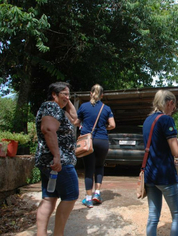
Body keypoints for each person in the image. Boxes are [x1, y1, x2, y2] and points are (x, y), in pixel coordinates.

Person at [143, 90, 178, 236]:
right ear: (169, 103)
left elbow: (156, 145)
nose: (173, 110)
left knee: (153, 217)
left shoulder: (147, 121)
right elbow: (176, 152)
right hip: (165, 175)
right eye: (174, 106)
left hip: (150, 175)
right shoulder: (166, 120)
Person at [35, 82, 79, 236]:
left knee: (49, 198)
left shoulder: (57, 108)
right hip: (59, 162)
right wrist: (57, 156)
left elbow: (75, 118)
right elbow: (47, 129)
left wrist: (66, 98)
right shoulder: (51, 106)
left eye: (69, 94)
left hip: (50, 162)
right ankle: (58, 234)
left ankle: (42, 234)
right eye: (64, 94)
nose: (67, 97)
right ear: (54, 94)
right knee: (71, 195)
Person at [74, 84, 116, 208]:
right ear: (102, 95)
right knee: (99, 166)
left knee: (89, 169)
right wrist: (104, 128)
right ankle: (97, 194)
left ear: (90, 93)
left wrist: (82, 125)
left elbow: (76, 123)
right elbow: (113, 125)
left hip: (88, 141)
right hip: (102, 141)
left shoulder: (83, 107)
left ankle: (88, 199)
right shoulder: (106, 108)